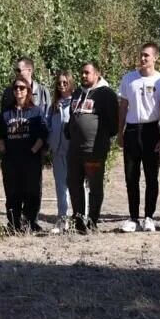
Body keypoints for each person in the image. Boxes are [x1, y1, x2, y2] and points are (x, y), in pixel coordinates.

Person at [117, 43, 160, 232]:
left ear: (155, 58)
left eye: (147, 55)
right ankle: (133, 217)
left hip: (151, 130)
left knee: (151, 176)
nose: (143, 58)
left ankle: (149, 216)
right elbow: (123, 107)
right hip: (132, 130)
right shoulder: (129, 79)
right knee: (131, 176)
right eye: (141, 55)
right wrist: (120, 132)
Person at [65, 61, 119, 233]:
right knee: (74, 184)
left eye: (87, 73)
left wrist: (100, 141)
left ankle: (93, 221)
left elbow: (113, 125)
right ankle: (79, 220)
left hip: (93, 150)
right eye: (81, 72)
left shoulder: (106, 94)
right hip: (75, 150)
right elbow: (72, 117)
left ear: (97, 74)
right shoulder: (76, 94)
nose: (83, 76)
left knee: (94, 187)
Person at [0, 78, 48, 232]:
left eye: (22, 88)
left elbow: (43, 134)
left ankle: (30, 222)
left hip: (30, 159)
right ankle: (13, 223)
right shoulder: (6, 113)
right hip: (11, 160)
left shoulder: (36, 111)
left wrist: (33, 150)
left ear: (28, 91)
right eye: (16, 88)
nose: (18, 91)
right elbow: (0, 135)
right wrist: (4, 151)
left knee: (32, 192)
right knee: (12, 193)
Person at [47, 71, 75, 233]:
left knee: (77, 185)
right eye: (59, 83)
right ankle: (62, 218)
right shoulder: (54, 105)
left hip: (72, 150)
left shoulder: (75, 102)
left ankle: (80, 217)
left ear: (71, 84)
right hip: (57, 150)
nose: (62, 85)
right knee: (60, 186)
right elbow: (49, 125)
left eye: (65, 82)